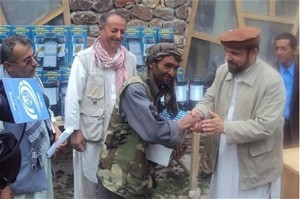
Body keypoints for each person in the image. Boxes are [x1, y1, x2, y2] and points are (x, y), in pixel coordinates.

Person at [97, 43, 203, 199]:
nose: (172, 72)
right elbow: (153, 130)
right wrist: (184, 123)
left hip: (138, 178)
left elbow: (151, 131)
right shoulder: (135, 89)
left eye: (175, 68)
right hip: (118, 181)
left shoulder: (156, 90)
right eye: (167, 66)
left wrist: (173, 148)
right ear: (152, 64)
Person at [190, 26, 285, 198]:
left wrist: (224, 127)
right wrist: (199, 114)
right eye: (226, 51)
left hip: (255, 164)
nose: (228, 57)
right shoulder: (223, 70)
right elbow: (210, 99)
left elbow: (265, 126)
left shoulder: (272, 81)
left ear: (253, 53)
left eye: (234, 53)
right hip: (224, 155)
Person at [63, 12, 137, 199]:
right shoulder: (84, 59)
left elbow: (135, 96)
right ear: (101, 29)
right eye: (114, 30)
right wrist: (74, 131)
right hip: (91, 135)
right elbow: (72, 98)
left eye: (122, 31)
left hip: (120, 135)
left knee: (115, 183)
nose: (118, 36)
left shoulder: (130, 60)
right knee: (87, 182)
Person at [0, 36, 63, 199]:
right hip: (15, 177)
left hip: (41, 165)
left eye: (34, 56)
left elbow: (46, 111)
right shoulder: (1, 91)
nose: (34, 63)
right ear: (9, 66)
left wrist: (54, 128)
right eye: (27, 60)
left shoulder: (33, 79)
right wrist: (3, 186)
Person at [198, 54, 225, 180]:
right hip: (218, 107)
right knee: (212, 140)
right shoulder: (219, 62)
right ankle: (207, 168)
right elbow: (209, 84)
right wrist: (199, 112)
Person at [273, 32, 299, 148]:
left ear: (294, 50)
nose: (279, 52)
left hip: (295, 129)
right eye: (277, 48)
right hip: (273, 128)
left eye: (283, 48)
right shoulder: (269, 72)